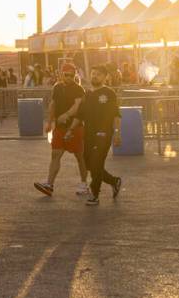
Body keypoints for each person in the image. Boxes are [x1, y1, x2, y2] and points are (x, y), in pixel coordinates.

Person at [60, 65, 122, 206]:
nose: (94, 76)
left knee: (96, 163)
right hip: (89, 135)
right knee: (90, 164)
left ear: (105, 77)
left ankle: (94, 195)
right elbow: (80, 115)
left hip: (103, 134)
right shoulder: (87, 94)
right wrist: (70, 130)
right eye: (93, 73)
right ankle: (114, 181)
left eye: (98, 74)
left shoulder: (109, 93)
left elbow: (116, 116)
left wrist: (117, 133)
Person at [34, 63, 89, 197]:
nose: (69, 77)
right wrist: (49, 122)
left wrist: (67, 115)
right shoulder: (57, 87)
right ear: (61, 74)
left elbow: (77, 106)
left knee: (80, 157)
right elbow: (53, 104)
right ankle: (49, 184)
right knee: (55, 154)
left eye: (71, 75)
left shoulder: (79, 89)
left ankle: (84, 184)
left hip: (75, 127)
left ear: (75, 75)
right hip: (59, 128)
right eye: (66, 75)